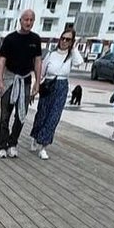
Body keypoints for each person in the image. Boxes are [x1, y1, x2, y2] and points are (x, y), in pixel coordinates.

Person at [29, 29, 85, 159]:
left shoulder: (71, 56)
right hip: (48, 84)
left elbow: (79, 63)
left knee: (54, 116)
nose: (64, 41)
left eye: (68, 39)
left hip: (61, 86)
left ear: (72, 41)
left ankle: (43, 145)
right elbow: (42, 71)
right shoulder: (51, 54)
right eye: (63, 38)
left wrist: (74, 49)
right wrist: (36, 85)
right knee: (42, 114)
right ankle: (35, 136)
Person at [0, 9, 43, 158]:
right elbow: (1, 60)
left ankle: (13, 143)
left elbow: (38, 61)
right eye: (26, 19)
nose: (28, 22)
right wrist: (0, 81)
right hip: (10, 79)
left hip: (25, 80)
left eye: (31, 20)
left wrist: (37, 82)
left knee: (21, 114)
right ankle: (2, 145)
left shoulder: (35, 40)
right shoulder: (10, 39)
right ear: (20, 21)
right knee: (5, 115)